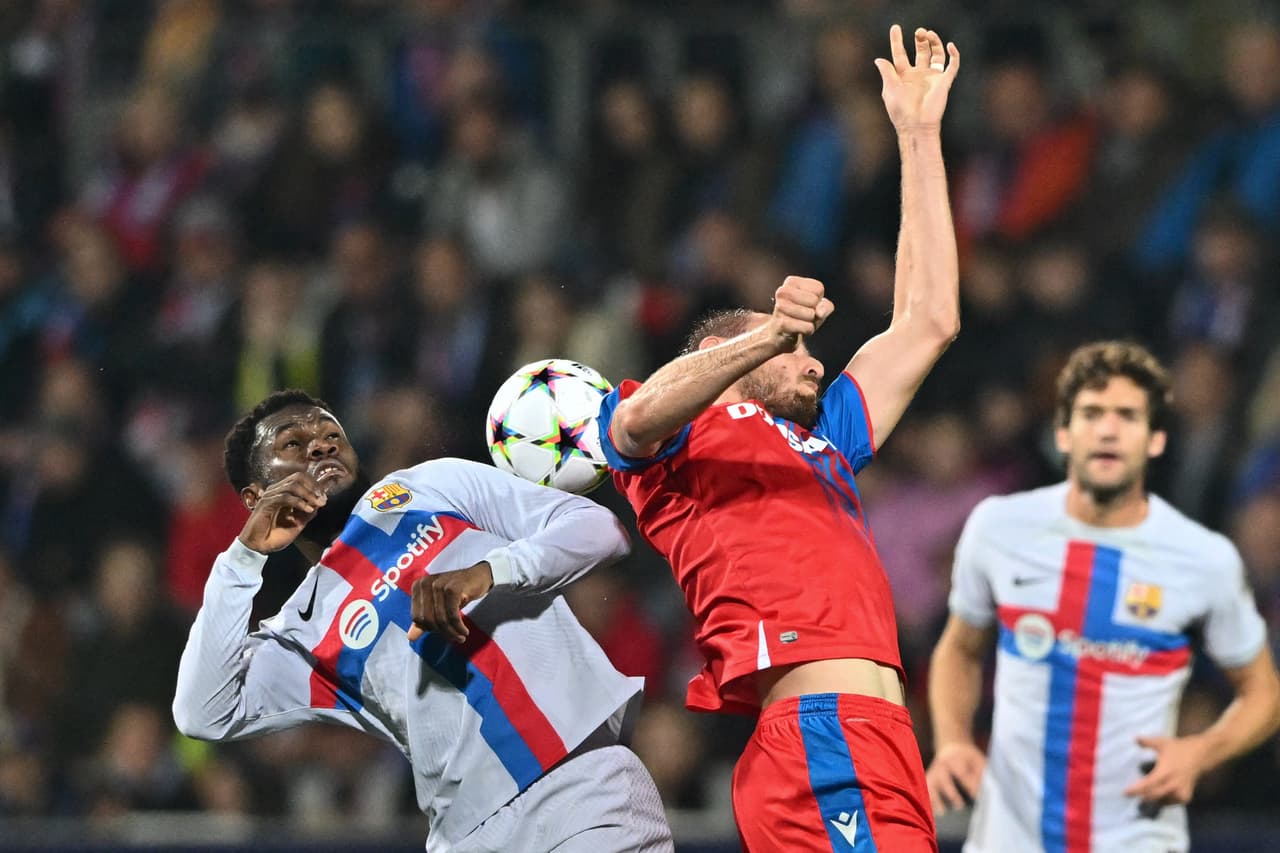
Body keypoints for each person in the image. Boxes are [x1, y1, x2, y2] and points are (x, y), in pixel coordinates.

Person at [596, 24, 961, 852]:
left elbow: (930, 320)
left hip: (878, 734)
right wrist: (763, 337)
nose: (812, 356)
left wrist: (918, 135)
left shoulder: (824, 443)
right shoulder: (684, 440)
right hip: (823, 735)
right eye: (794, 344)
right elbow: (631, 422)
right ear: (723, 353)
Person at [172, 390, 673, 853]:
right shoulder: (299, 634)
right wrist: (242, 559)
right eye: (293, 443)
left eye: (330, 434)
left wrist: (490, 572)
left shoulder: (430, 485)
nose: (321, 446)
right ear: (255, 496)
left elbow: (599, 530)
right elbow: (203, 712)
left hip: (583, 792)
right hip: (465, 837)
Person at [925, 341, 1280, 853]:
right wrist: (954, 738)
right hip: (1009, 838)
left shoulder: (1202, 557)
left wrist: (1200, 752)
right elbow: (960, 648)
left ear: (1156, 439)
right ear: (1063, 433)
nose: (1109, 429)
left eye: (1128, 416)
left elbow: (1264, 693)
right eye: (1092, 413)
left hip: (1136, 838)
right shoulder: (999, 527)